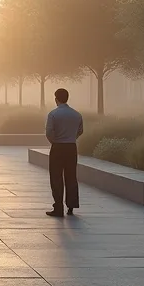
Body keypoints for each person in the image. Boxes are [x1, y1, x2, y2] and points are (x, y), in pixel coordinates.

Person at [44, 87, 84, 217]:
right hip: (71, 147)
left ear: (56, 99)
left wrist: (55, 141)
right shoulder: (77, 114)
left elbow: (49, 132)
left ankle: (58, 207)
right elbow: (80, 131)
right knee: (71, 176)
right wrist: (71, 138)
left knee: (56, 177)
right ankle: (71, 206)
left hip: (57, 147)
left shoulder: (53, 114)